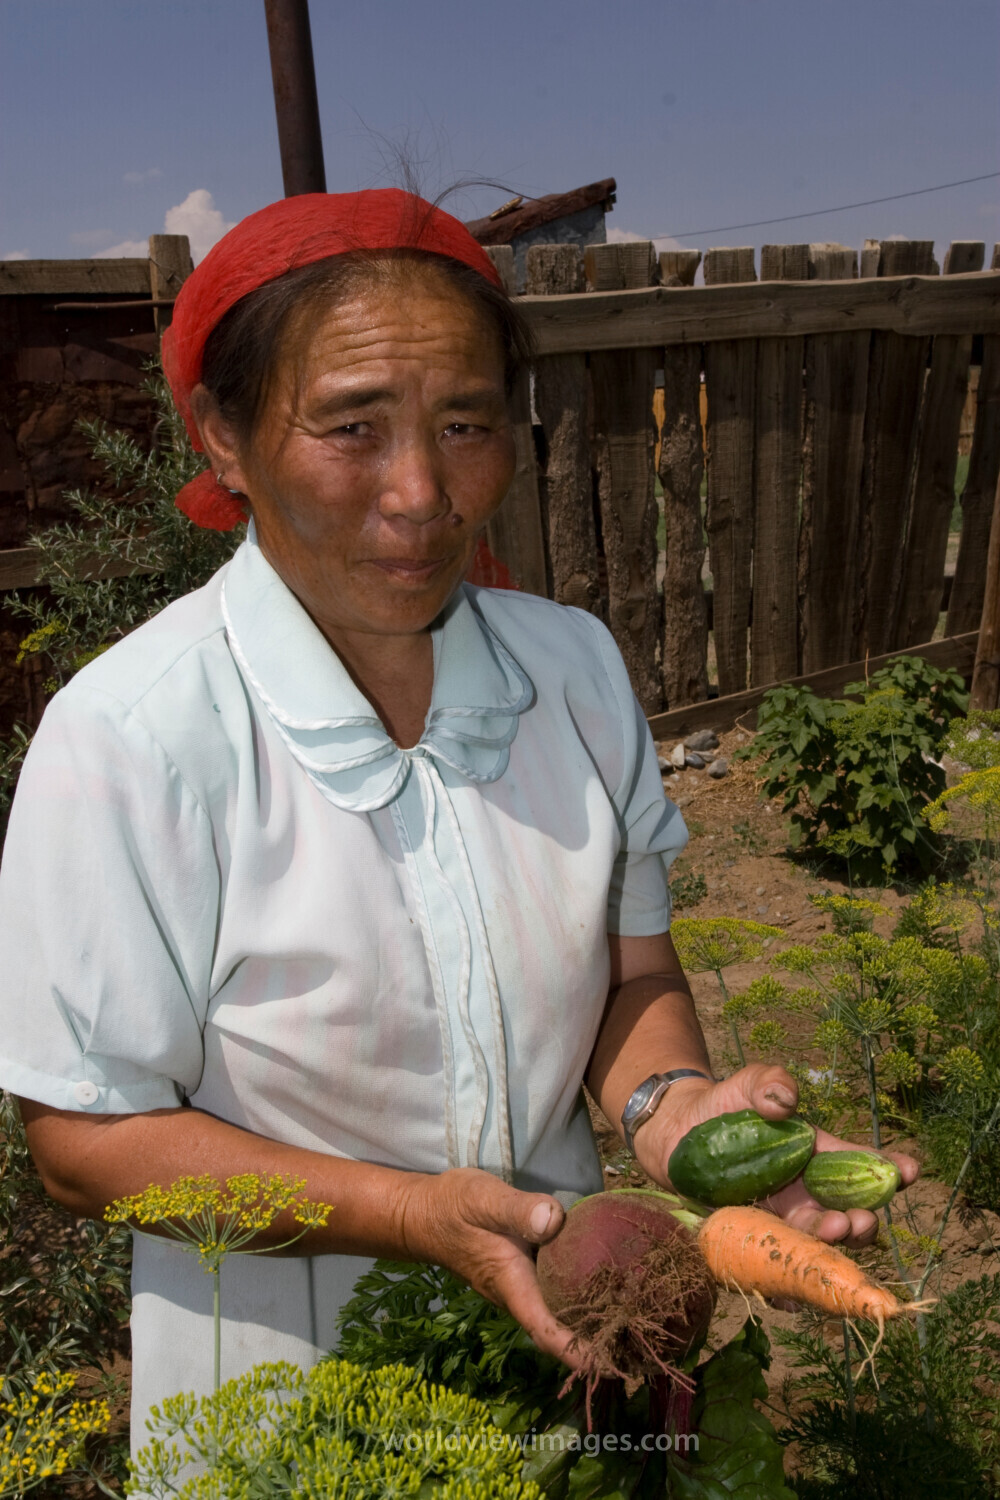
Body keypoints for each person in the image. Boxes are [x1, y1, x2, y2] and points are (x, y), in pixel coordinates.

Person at [0, 190, 916, 1445]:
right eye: (352, 425)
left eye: (466, 422)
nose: (423, 490)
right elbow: (84, 1141)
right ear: (222, 437)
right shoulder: (130, 739)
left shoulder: (573, 671)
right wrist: (408, 1215)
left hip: (592, 1338)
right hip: (289, 1401)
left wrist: (674, 1112)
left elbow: (628, 973)